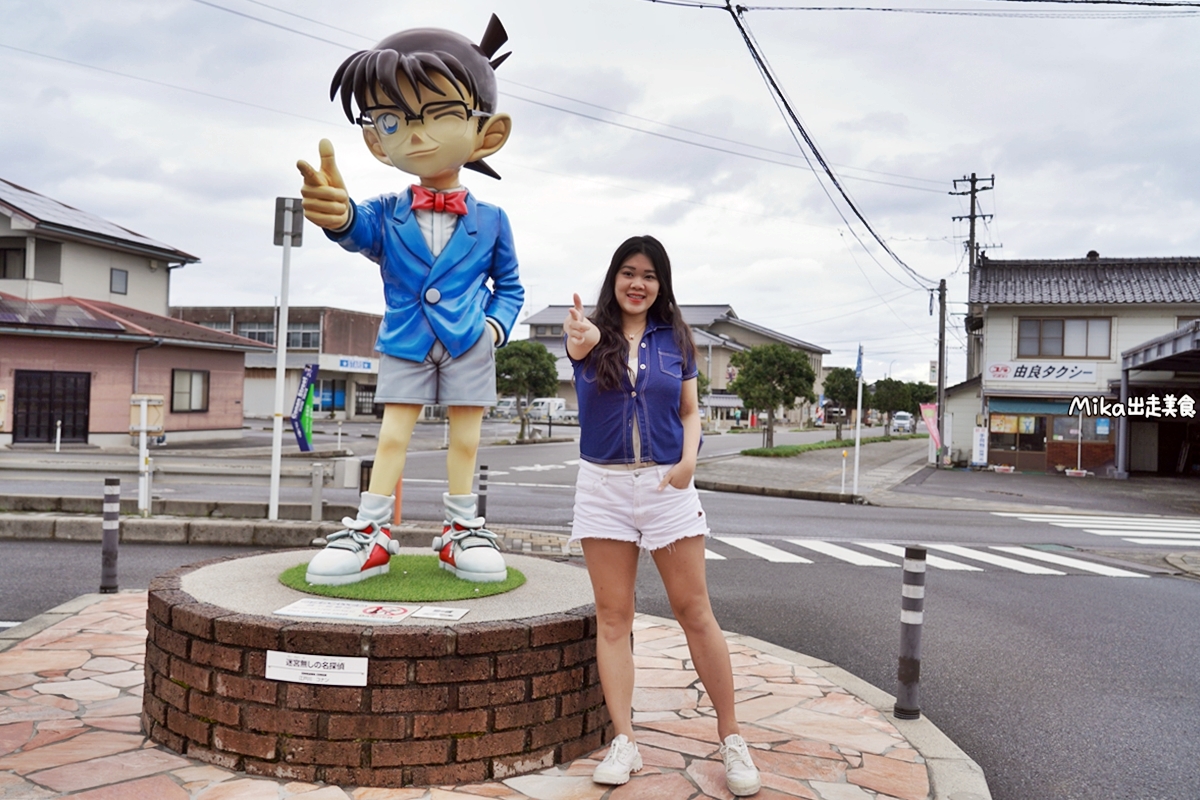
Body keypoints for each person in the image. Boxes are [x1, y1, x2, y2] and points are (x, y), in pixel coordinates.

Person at [296, 16, 523, 585]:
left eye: (441, 114)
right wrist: (337, 212)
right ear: (376, 140)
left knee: (466, 440)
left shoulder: (493, 219)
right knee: (393, 435)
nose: (416, 135)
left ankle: (461, 530)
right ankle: (371, 533)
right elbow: (354, 228)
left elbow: (511, 286)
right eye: (394, 120)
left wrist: (493, 328)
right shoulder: (384, 210)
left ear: (486, 134)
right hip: (404, 341)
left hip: (469, 342)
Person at [563, 235, 761, 796]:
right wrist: (587, 337)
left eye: (648, 275)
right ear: (614, 278)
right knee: (613, 616)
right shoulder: (587, 331)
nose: (637, 283)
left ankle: (732, 738)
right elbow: (583, 348)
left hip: (666, 483)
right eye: (628, 272)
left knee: (694, 610)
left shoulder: (678, 338)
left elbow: (690, 410)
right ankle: (625, 742)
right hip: (602, 485)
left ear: (661, 283)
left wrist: (688, 462)